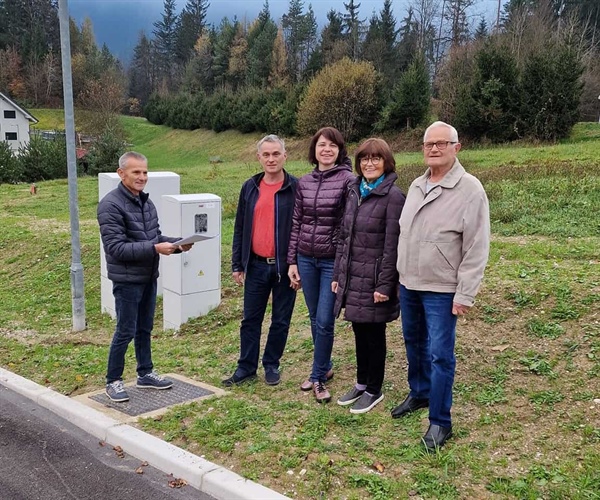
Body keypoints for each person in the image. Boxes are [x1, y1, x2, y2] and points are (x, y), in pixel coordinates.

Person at [391, 121, 490, 451]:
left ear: (456, 147)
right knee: (413, 342)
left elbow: (477, 246)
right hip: (410, 283)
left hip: (441, 287)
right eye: (428, 144)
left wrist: (465, 293)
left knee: (440, 355)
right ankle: (419, 394)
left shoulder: (470, 189)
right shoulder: (418, 184)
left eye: (441, 144)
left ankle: (440, 422)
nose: (433, 149)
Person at [98, 151, 193, 403]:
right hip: (127, 281)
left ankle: (145, 372)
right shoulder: (110, 205)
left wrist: (178, 243)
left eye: (145, 172)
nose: (142, 177)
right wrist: (154, 249)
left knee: (144, 328)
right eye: (136, 172)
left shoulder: (146, 203)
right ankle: (113, 380)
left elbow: (155, 238)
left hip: (148, 276)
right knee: (125, 330)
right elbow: (116, 248)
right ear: (121, 173)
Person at [332, 138, 405, 414]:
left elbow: (393, 245)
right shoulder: (355, 191)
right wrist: (340, 274)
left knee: (374, 333)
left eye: (376, 159)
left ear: (386, 163)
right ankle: (361, 383)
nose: (369, 163)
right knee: (359, 331)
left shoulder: (393, 197)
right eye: (364, 159)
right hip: (353, 276)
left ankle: (374, 389)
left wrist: (385, 284)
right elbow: (344, 237)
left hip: (375, 280)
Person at [223, 135, 298, 387]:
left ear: (285, 156)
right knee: (250, 319)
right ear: (259, 158)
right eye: (266, 154)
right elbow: (240, 227)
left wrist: (296, 263)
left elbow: (301, 229)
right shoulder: (250, 187)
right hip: (255, 265)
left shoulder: (295, 188)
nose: (271, 159)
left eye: (276, 154)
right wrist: (237, 263)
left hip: (284, 267)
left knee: (280, 319)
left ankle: (271, 364)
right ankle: (246, 367)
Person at [287, 127, 355, 403]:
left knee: (326, 320)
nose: (326, 150)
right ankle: (324, 367)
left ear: (340, 151)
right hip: (306, 257)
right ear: (314, 150)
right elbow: (296, 223)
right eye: (321, 145)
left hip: (330, 261)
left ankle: (316, 377)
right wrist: (292, 259)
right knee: (315, 317)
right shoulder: (304, 182)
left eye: (332, 146)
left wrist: (341, 264)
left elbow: (347, 227)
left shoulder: (348, 180)